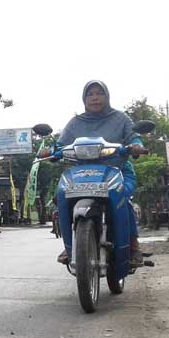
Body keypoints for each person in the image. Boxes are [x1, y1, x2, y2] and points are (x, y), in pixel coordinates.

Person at [39, 80, 144, 266]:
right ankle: (70, 246)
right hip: (82, 174)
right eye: (90, 94)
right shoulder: (76, 122)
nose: (94, 97)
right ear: (84, 99)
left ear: (107, 96)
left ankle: (134, 246)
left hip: (118, 170)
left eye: (99, 93)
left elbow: (134, 137)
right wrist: (49, 151)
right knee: (62, 195)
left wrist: (136, 146)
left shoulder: (120, 118)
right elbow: (60, 145)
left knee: (123, 198)